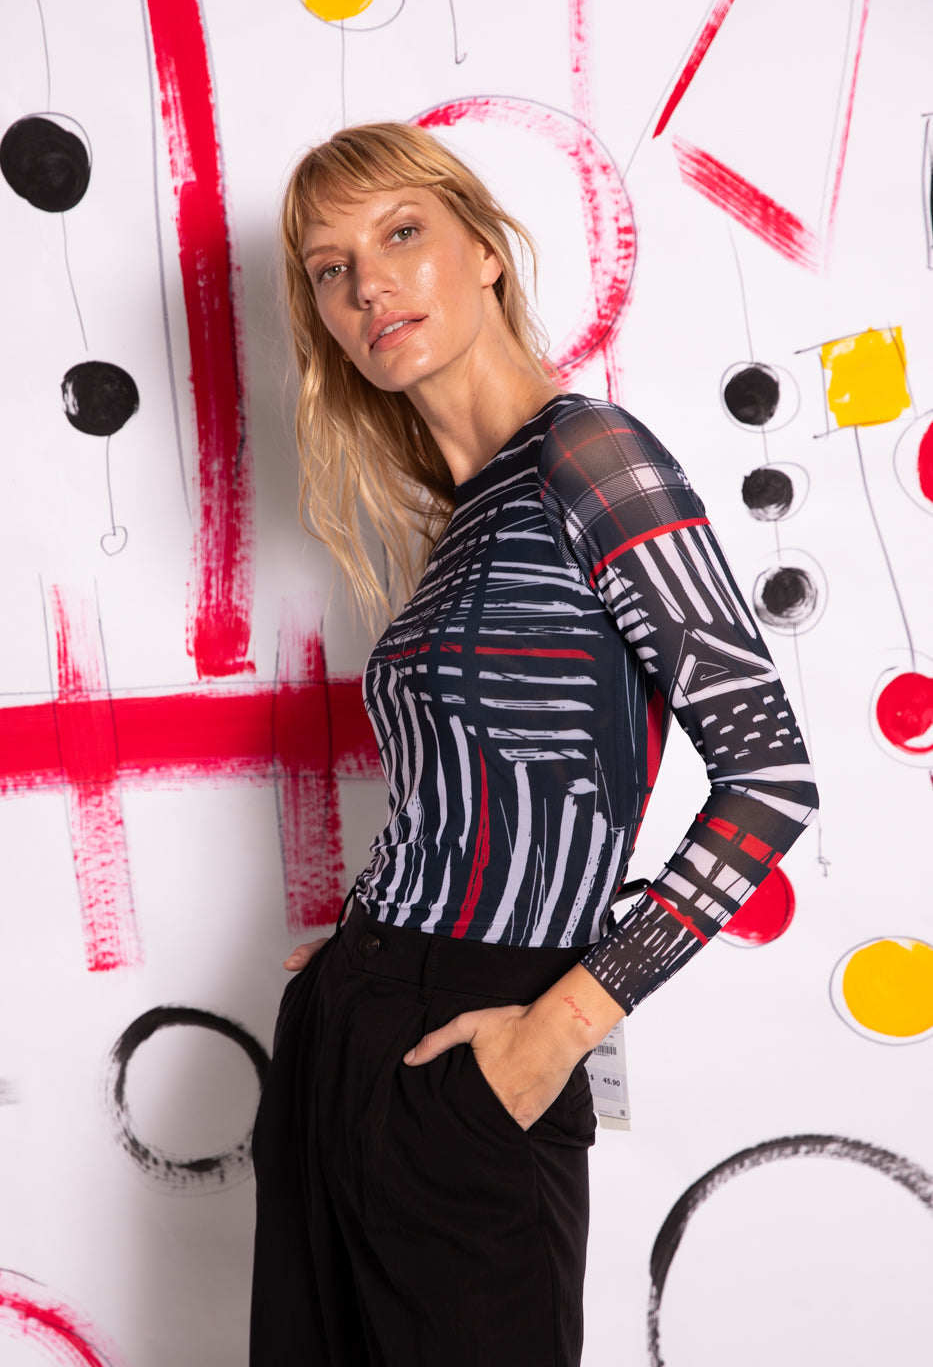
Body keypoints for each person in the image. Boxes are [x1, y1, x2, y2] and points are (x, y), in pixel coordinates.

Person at [250, 121, 818, 1367]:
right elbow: (479, 791)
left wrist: (558, 1028)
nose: (369, 286)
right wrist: (369, 948)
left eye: (402, 234)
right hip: (356, 1022)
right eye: (332, 269)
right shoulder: (471, 515)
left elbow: (769, 775)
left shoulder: (587, 454)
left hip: (483, 1038)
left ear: (486, 251)